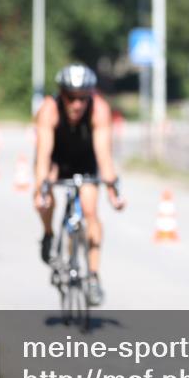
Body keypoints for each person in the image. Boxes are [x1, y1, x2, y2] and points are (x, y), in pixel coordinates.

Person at [33, 63, 125, 306]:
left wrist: (113, 190)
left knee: (90, 210)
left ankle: (93, 278)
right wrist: (42, 188)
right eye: (71, 98)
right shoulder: (49, 110)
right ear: (62, 95)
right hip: (57, 159)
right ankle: (49, 235)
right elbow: (43, 156)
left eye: (83, 99)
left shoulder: (100, 109)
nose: (77, 105)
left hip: (85, 161)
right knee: (43, 197)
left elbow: (104, 156)